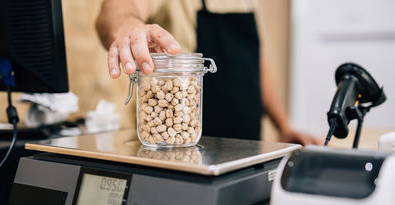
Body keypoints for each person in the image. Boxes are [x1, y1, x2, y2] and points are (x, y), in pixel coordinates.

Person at [96, 0, 321, 145]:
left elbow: (253, 61)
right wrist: (128, 29)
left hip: (246, 146)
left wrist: (284, 126)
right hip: (181, 145)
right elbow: (118, 10)